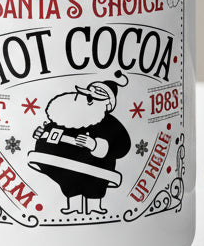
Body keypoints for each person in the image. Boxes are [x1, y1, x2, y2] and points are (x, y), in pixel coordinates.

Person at [27, 72, 131, 215]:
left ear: (108, 104)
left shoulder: (110, 123)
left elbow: (123, 145)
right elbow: (57, 127)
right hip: (66, 165)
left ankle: (95, 206)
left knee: (95, 186)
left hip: (99, 167)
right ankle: (73, 206)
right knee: (68, 182)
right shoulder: (72, 115)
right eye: (88, 95)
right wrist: (42, 135)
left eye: (94, 98)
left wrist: (95, 145)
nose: (88, 99)